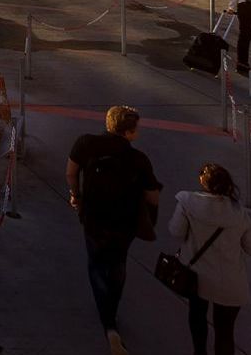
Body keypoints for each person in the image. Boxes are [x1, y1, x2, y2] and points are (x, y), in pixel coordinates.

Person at [68, 105, 161, 354]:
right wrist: (149, 218)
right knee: (118, 264)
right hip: (125, 223)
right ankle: (112, 314)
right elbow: (153, 195)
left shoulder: (86, 143)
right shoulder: (139, 159)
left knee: (96, 265)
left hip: (94, 217)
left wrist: (76, 195)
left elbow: (71, 172)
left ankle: (108, 323)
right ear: (129, 133)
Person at [168, 163, 251, 355]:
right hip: (231, 282)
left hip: (197, 278)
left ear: (203, 182)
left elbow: (175, 231)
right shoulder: (238, 213)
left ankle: (199, 352)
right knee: (225, 332)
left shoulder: (187, 201)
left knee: (197, 317)